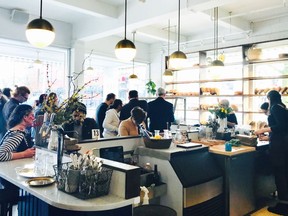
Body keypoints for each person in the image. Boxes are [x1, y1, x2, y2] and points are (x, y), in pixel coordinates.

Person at [254, 90, 288, 215]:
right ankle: (284, 202)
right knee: (284, 174)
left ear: (269, 98)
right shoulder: (282, 107)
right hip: (283, 145)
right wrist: (268, 137)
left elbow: (282, 126)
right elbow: (283, 131)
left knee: (280, 175)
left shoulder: (274, 108)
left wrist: (263, 130)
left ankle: (283, 205)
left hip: (279, 148)